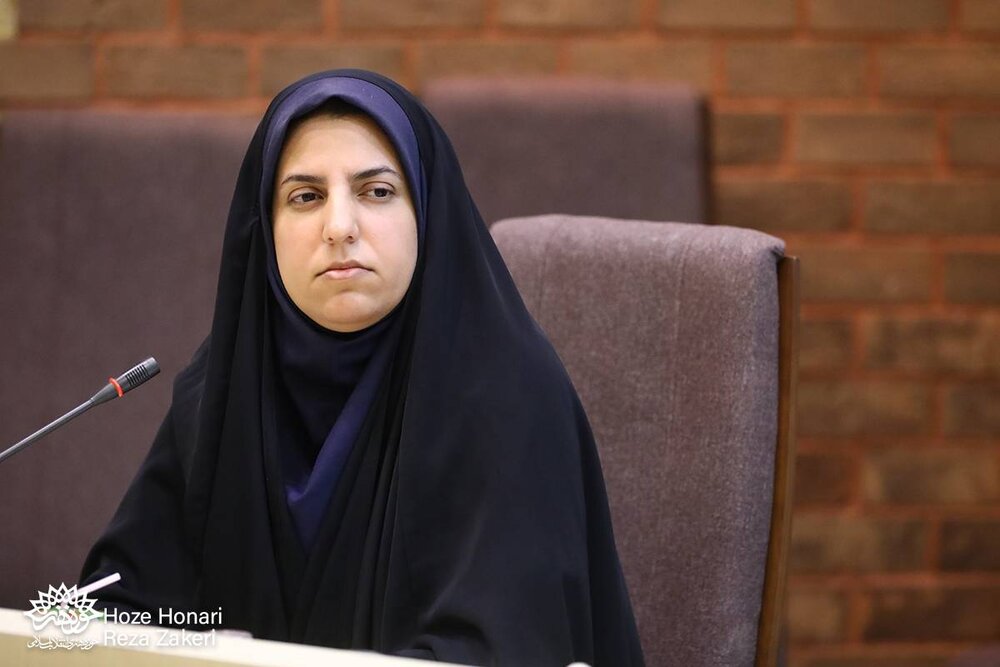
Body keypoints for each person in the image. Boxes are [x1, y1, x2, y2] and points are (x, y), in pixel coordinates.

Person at [79, 69, 645, 666]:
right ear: (264, 229)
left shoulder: (507, 395)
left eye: (376, 192)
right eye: (306, 197)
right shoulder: (219, 390)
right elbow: (104, 613)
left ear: (426, 211)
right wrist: (192, 644)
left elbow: (501, 649)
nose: (340, 228)